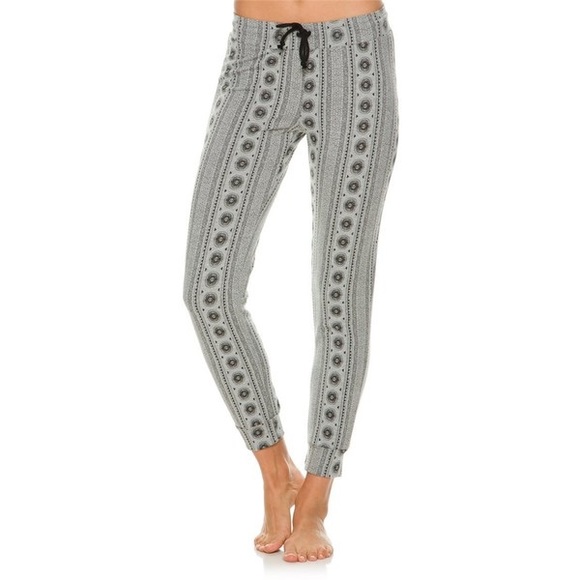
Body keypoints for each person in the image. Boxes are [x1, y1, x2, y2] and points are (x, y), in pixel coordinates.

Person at [182, 0, 399, 563]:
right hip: (256, 57)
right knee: (208, 290)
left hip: (355, 61)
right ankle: (276, 470)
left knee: (339, 292)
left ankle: (317, 496)